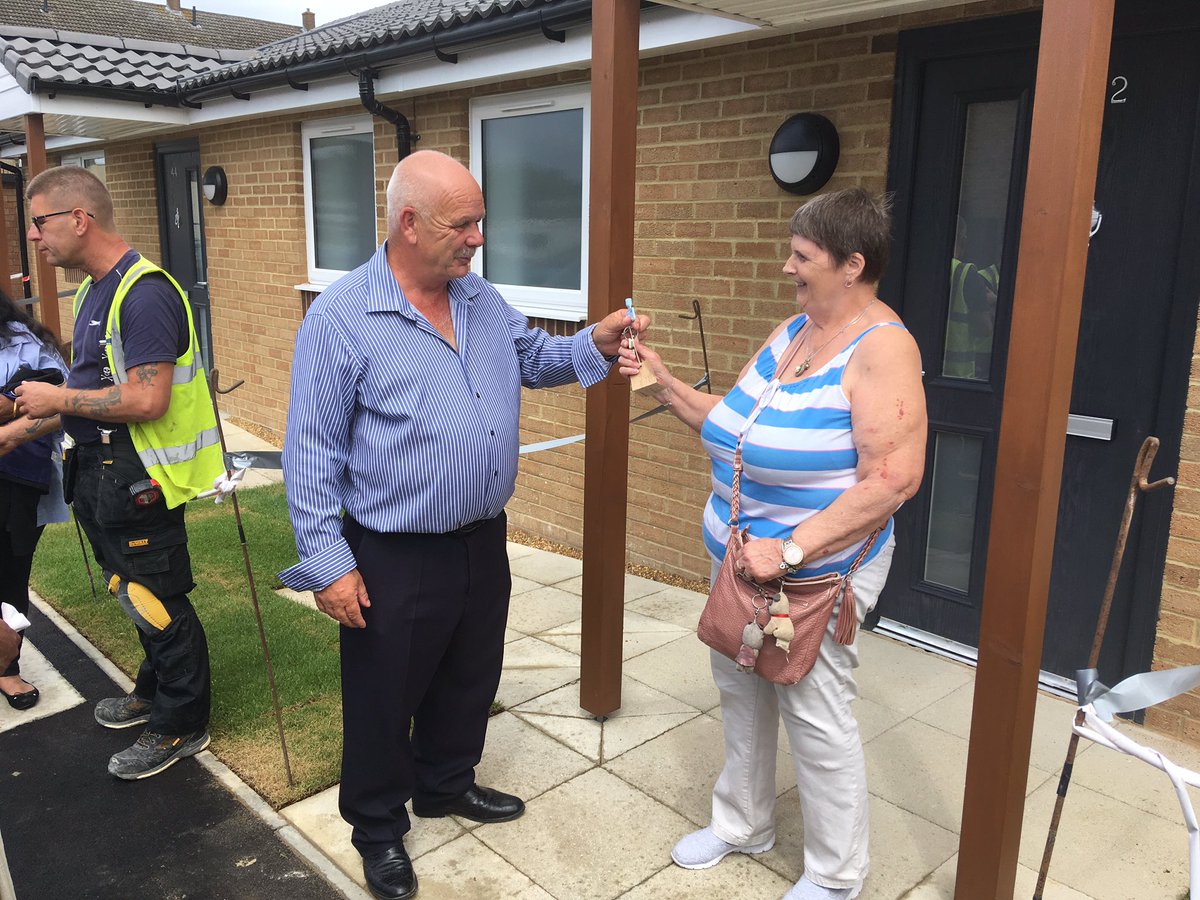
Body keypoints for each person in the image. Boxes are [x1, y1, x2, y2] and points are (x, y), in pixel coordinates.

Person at [280, 149, 644, 900]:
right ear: (409, 224)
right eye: (465, 223)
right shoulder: (342, 320)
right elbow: (311, 452)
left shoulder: (477, 297)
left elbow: (533, 359)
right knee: (386, 696)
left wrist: (594, 345)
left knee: (468, 673)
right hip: (392, 551)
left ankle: (446, 783)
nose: (479, 236)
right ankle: (377, 827)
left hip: (481, 536)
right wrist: (327, 561)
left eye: (481, 220)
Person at [620, 189, 927, 900]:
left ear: (853, 264)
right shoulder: (792, 333)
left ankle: (836, 875)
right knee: (739, 687)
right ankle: (742, 823)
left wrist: (790, 550)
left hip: (812, 573)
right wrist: (665, 384)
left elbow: (895, 476)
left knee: (815, 714)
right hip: (741, 565)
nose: (787, 267)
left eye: (802, 256)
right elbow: (734, 425)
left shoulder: (882, 349)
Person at [14, 166, 224, 779]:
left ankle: (181, 724)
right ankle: (155, 689)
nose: (34, 237)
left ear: (79, 219)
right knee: (128, 590)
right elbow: (88, 393)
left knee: (157, 599)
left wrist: (54, 402)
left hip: (139, 478)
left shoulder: (145, 293)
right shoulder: (92, 291)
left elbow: (146, 400)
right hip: (99, 472)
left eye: (39, 222)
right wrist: (18, 431)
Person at [0, 287, 69, 711]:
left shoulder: (28, 340)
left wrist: (9, 405)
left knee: (11, 571)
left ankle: (8, 668)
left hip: (21, 480)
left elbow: (64, 395)